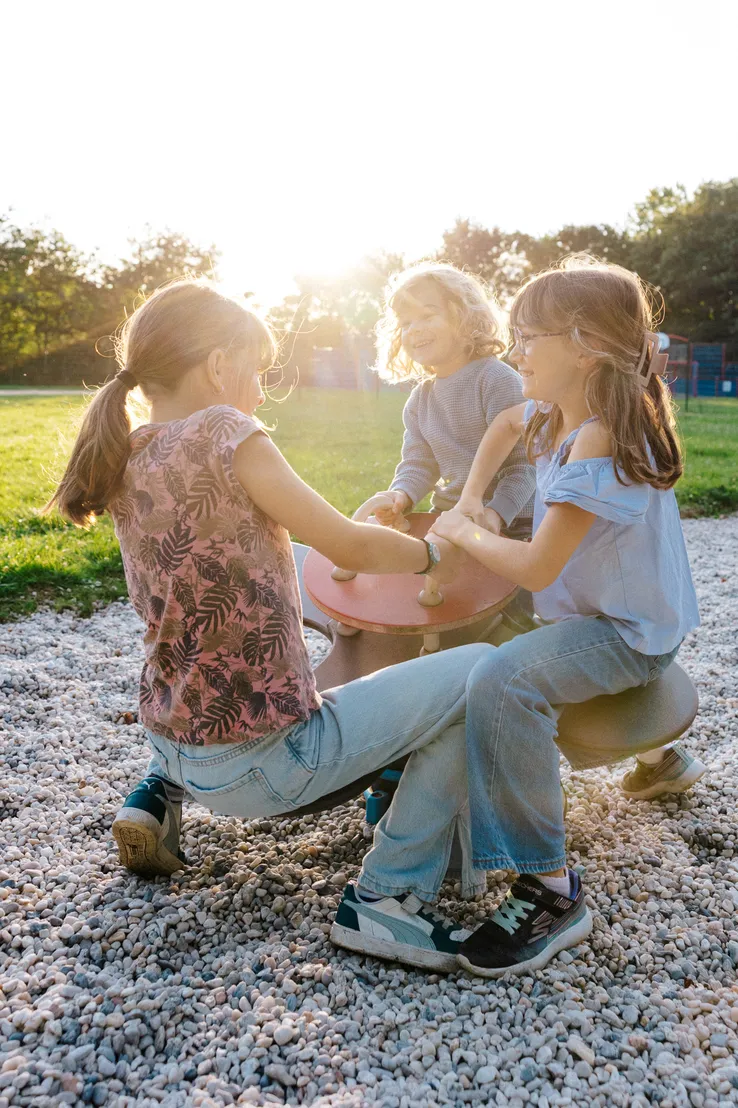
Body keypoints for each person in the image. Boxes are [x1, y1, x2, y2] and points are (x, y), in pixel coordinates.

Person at [46, 278, 497, 973]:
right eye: (256, 372)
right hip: (269, 764)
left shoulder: (127, 449)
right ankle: (389, 896)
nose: (259, 392)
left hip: (173, 744)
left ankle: (159, 798)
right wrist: (438, 551)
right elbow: (350, 545)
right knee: (477, 674)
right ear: (219, 365)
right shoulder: (228, 431)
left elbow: (234, 553)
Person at [429, 255, 705, 978]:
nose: (515, 350)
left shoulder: (603, 438)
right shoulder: (559, 414)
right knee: (490, 638)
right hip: (602, 614)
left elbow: (535, 567)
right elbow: (501, 429)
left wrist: (464, 532)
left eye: (528, 336)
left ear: (582, 344)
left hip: (627, 636)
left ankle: (550, 890)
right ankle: (659, 758)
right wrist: (472, 495)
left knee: (502, 680)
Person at [371, 262, 534, 539]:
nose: (414, 329)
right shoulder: (421, 399)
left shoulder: (496, 380)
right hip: (449, 516)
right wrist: (402, 494)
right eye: (406, 323)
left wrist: (495, 514)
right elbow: (419, 462)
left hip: (512, 524)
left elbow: (525, 465)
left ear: (464, 317)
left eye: (427, 316)